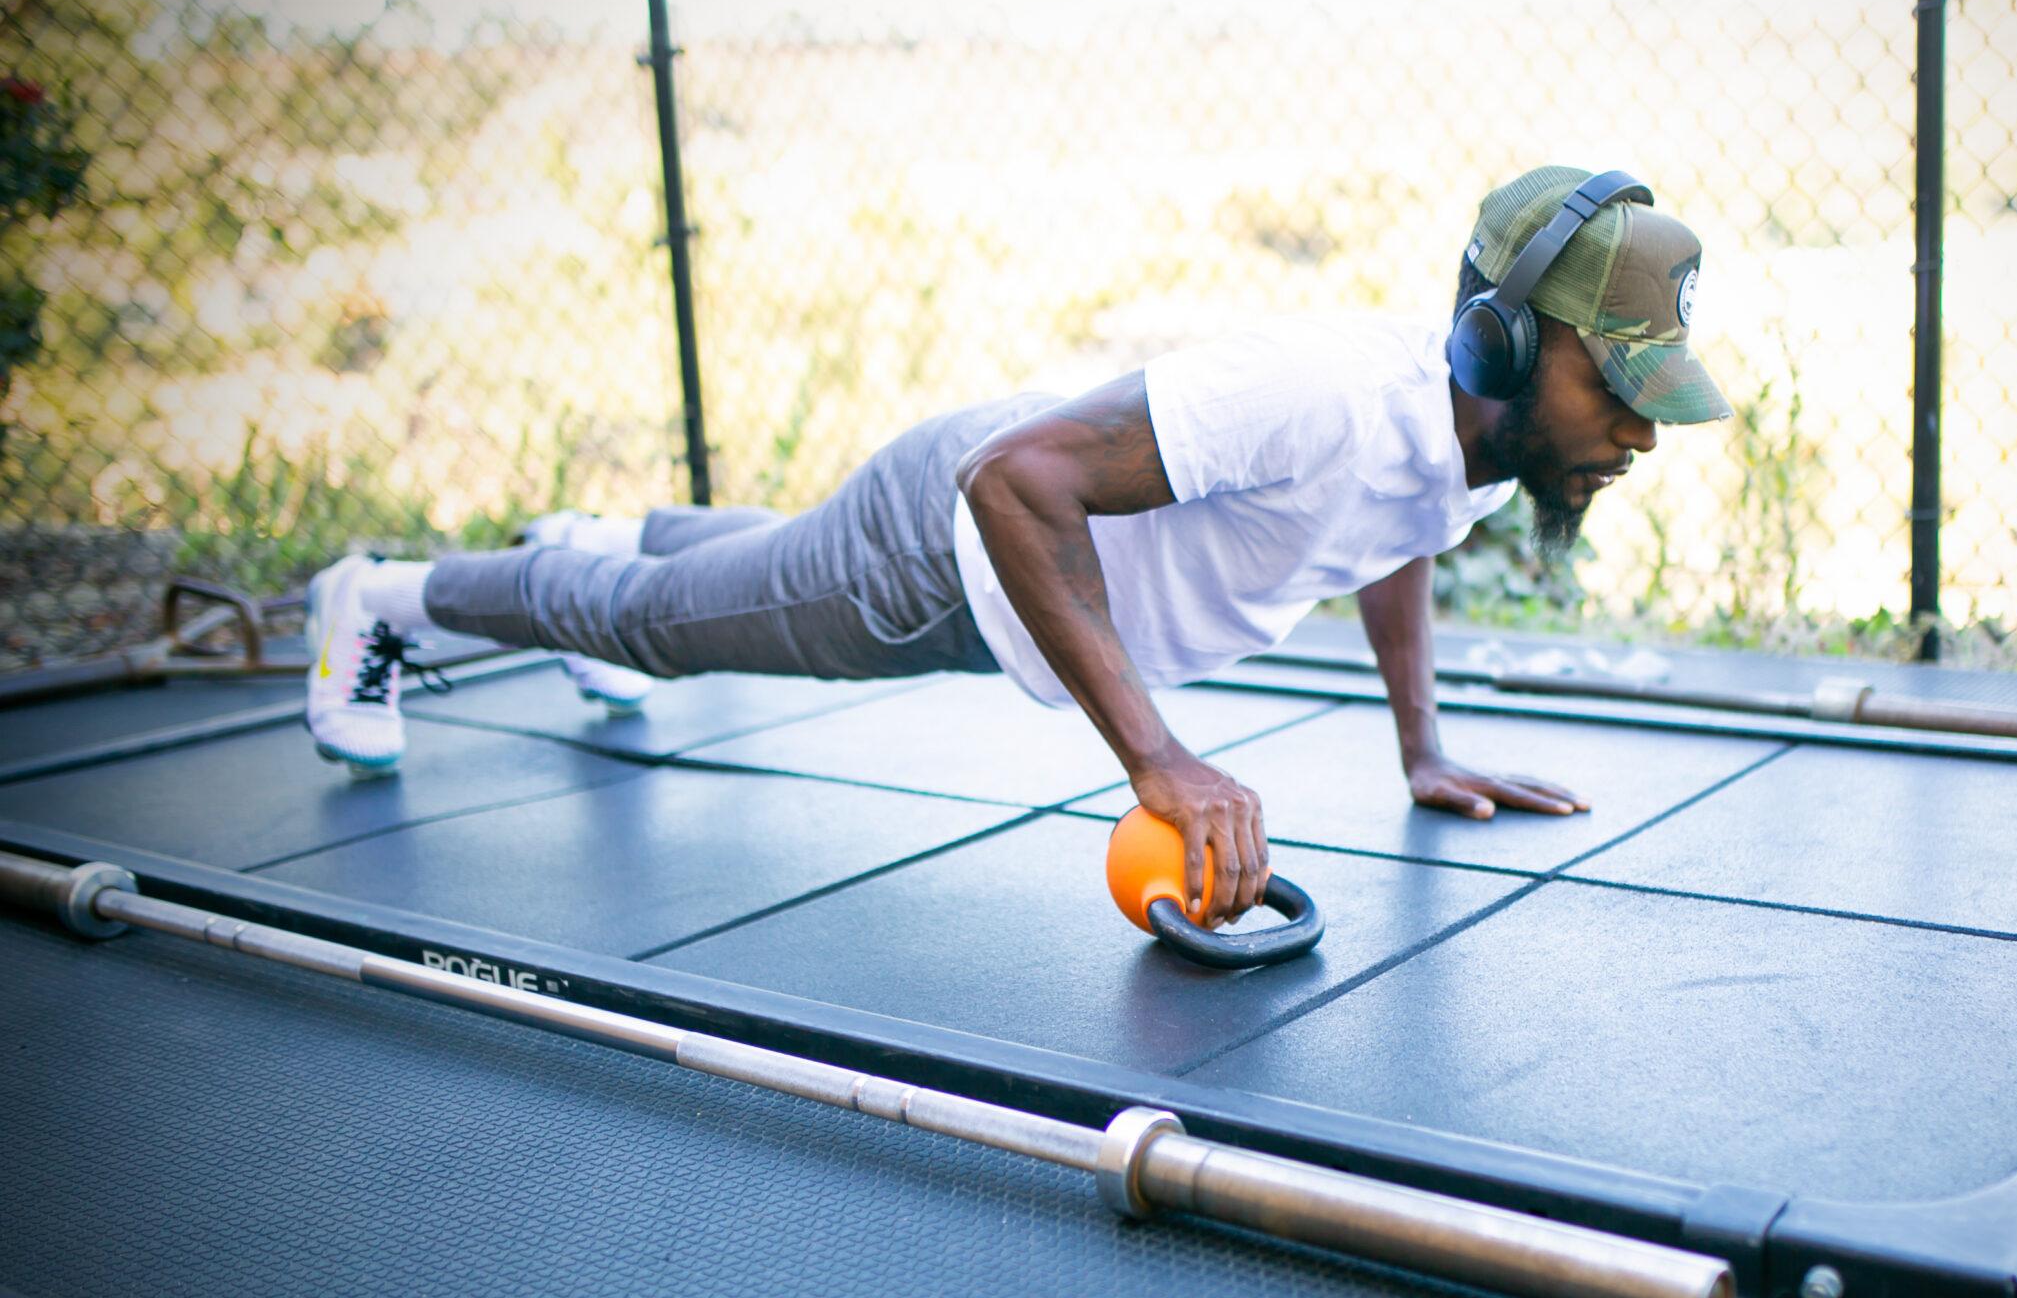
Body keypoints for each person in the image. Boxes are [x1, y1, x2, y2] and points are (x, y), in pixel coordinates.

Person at [303, 165, 1731, 927]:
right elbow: (1012, 481)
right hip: (952, 554)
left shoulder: (1473, 444)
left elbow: (1393, 536)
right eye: (1613, 386)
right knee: (662, 630)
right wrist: (1158, 760)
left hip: (996, 547)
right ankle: (379, 602)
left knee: (725, 570)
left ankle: (592, 541)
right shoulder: (1322, 393)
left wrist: (1419, 747)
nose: (1638, 433)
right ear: (1499, 338)